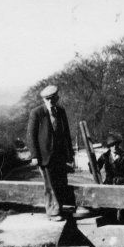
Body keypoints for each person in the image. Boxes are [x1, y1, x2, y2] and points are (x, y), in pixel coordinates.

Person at [27, 84, 76, 221]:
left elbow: (66, 134)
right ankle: (53, 212)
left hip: (60, 156)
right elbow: (31, 136)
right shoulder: (36, 113)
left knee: (61, 182)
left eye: (53, 98)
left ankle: (60, 208)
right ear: (44, 100)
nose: (50, 101)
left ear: (57, 98)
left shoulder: (61, 111)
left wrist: (70, 154)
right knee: (50, 185)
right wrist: (34, 155)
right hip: (45, 156)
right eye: (47, 99)